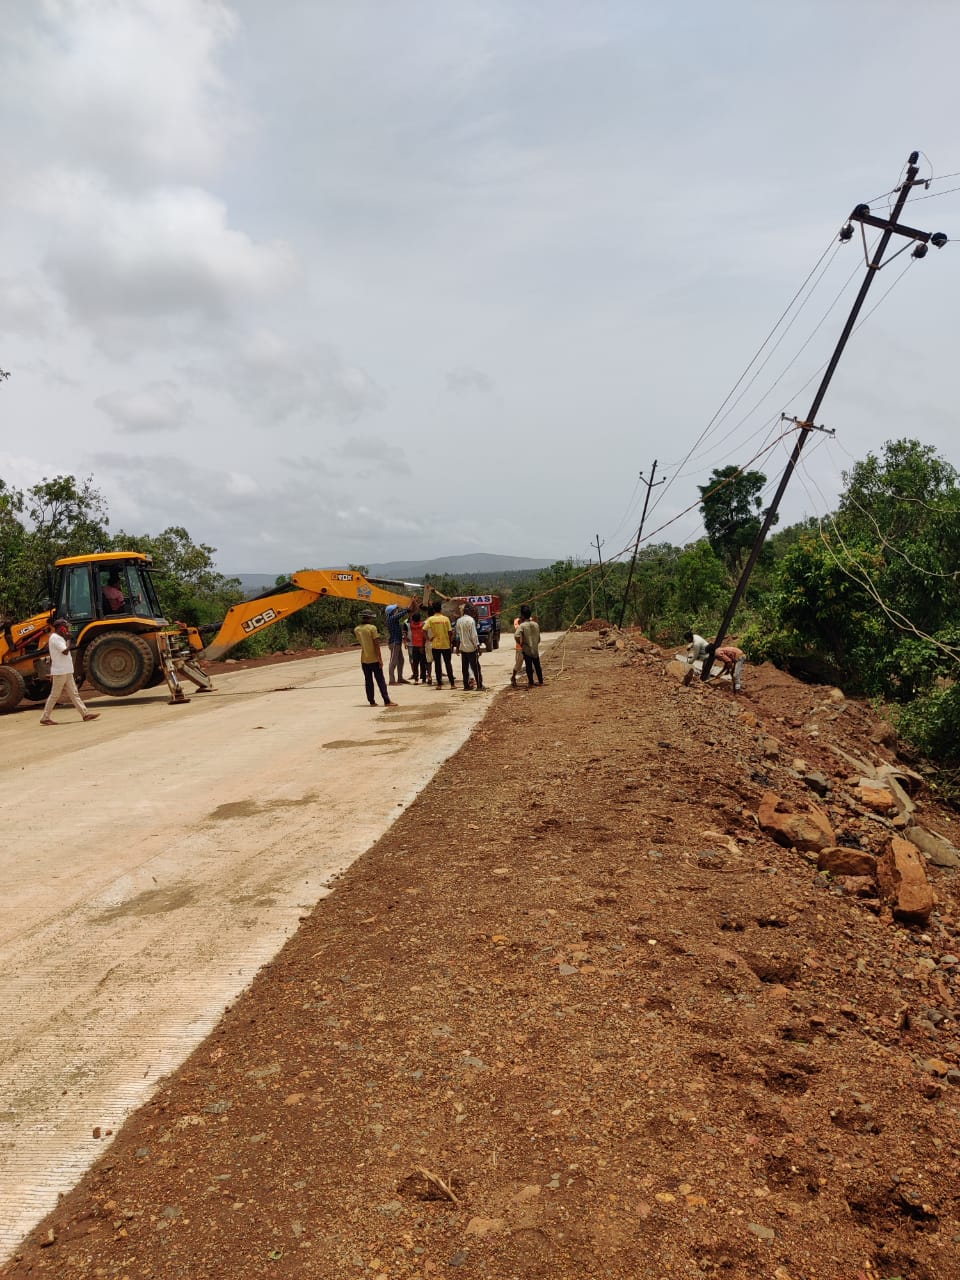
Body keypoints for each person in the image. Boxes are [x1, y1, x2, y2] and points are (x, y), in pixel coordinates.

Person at [39, 619, 100, 725]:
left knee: (74, 694)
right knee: (55, 695)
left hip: (66, 671)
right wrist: (68, 640)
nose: (67, 629)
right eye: (65, 627)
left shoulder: (59, 638)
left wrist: (67, 638)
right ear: (60, 628)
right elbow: (65, 652)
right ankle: (45, 717)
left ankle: (85, 714)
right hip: (60, 672)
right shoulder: (55, 638)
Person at [353, 609, 395, 708]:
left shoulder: (357, 629)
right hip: (374, 659)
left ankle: (371, 701)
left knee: (368, 681)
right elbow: (376, 645)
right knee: (380, 680)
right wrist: (380, 659)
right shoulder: (372, 628)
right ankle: (387, 700)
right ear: (370, 618)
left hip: (364, 659)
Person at [425, 601, 455, 689]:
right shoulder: (446, 619)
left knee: (437, 665)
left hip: (435, 645)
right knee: (448, 664)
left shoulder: (431, 619)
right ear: (441, 609)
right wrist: (450, 641)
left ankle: (439, 684)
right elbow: (450, 632)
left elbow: (423, 630)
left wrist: (428, 639)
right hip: (445, 644)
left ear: (433, 609)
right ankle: (452, 684)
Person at [455, 604, 483, 691]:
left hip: (463, 647)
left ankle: (466, 686)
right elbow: (474, 635)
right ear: (469, 611)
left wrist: (457, 647)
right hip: (471, 648)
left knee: (465, 668)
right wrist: (478, 646)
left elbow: (458, 636)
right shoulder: (471, 620)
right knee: (476, 668)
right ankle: (479, 685)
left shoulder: (459, 621)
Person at [515, 604, 543, 687]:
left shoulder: (522, 626)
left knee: (528, 666)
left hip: (526, 648)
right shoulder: (536, 624)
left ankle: (531, 682)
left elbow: (516, 635)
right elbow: (538, 637)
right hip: (535, 648)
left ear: (522, 615)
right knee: (537, 665)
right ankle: (541, 680)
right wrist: (536, 643)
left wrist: (521, 643)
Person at [384, 604, 409, 686]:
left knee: (401, 660)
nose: (397, 610)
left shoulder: (392, 619)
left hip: (397, 642)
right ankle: (392, 680)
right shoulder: (391, 619)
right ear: (392, 611)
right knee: (393, 661)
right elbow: (401, 614)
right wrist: (407, 609)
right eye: (396, 610)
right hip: (394, 642)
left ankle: (400, 678)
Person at [408, 611, 427, 684]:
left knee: (415, 663)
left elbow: (410, 617)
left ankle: (416, 678)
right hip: (422, 646)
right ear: (420, 619)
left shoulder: (412, 625)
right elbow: (423, 636)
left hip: (414, 646)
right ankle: (424, 678)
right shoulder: (422, 625)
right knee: (423, 663)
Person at [510, 611, 526, 688]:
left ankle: (531, 680)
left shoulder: (529, 620)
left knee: (530, 663)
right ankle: (513, 677)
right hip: (520, 647)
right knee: (518, 664)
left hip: (528, 646)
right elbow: (518, 630)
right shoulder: (517, 621)